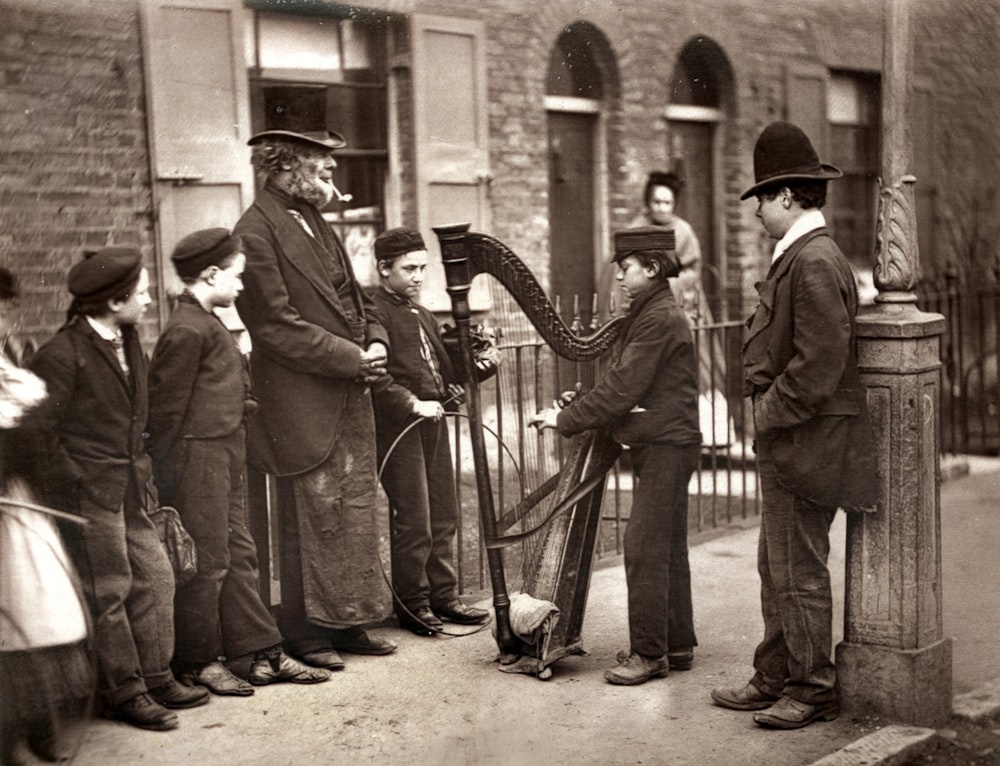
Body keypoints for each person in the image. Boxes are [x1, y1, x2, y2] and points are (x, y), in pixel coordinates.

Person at [709, 121, 879, 729]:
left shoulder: (811, 261)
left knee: (797, 569)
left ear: (787, 196)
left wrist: (764, 416)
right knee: (775, 563)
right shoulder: (803, 256)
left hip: (806, 443)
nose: (754, 208)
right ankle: (775, 674)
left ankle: (812, 688)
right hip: (795, 441)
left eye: (760, 196)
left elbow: (818, 368)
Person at [21, 246, 209, 731]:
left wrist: (138, 469)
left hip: (130, 486)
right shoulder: (61, 355)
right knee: (110, 591)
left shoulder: (126, 339)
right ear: (113, 300)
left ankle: (155, 675)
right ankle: (124, 692)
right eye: (142, 292)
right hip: (90, 495)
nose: (149, 299)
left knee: (156, 575)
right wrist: (77, 483)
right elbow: (41, 434)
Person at [233, 128, 395, 670]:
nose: (332, 175)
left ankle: (348, 621)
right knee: (309, 512)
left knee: (351, 507)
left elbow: (356, 294)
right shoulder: (255, 232)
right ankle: (303, 632)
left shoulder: (316, 219)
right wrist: (351, 357)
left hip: (346, 388)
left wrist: (375, 338)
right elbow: (274, 327)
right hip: (300, 398)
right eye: (321, 167)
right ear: (284, 168)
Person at [147, 228, 332, 695]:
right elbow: (166, 413)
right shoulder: (186, 330)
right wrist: (172, 478)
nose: (242, 286)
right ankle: (198, 661)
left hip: (225, 452)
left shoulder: (208, 324)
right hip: (197, 459)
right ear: (210, 274)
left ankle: (260, 653)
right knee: (207, 562)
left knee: (240, 555)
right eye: (237, 276)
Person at [530, 226, 702, 685]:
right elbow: (624, 382)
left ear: (650, 267)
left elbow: (624, 389)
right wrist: (581, 400)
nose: (620, 277)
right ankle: (677, 643)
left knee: (643, 546)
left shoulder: (659, 317)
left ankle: (649, 654)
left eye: (625, 268)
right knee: (665, 543)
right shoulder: (649, 312)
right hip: (665, 441)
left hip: (667, 444)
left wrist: (563, 421)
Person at [369, 228, 492, 636]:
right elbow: (376, 377)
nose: (419, 276)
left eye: (423, 268)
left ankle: (444, 596)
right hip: (399, 428)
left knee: (444, 512)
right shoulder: (374, 311)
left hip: (433, 423)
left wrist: (480, 362)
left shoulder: (420, 313)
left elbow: (443, 372)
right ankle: (413, 603)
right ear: (384, 269)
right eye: (409, 268)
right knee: (416, 519)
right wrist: (411, 402)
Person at [632, 171, 730, 447]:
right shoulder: (638, 227)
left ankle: (708, 434)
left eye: (667, 203)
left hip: (683, 303)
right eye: (656, 202)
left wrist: (666, 286)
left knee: (697, 362)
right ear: (648, 203)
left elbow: (693, 270)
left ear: (674, 204)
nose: (661, 208)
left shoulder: (684, 231)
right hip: (648, 306)